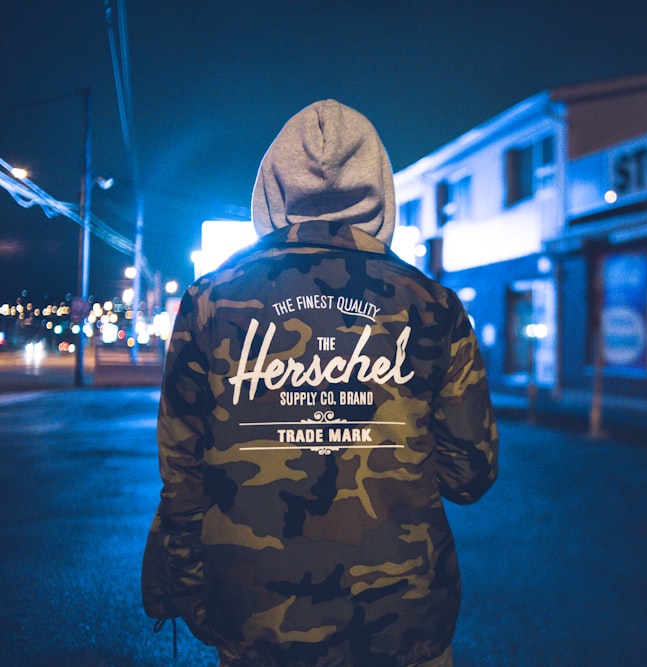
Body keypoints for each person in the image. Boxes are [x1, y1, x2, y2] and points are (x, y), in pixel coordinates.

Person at [142, 99, 499, 667]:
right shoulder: (432, 305)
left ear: (271, 193)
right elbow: (469, 475)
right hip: (403, 621)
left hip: (257, 616)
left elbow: (182, 477)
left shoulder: (210, 301)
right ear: (381, 191)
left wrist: (189, 586)